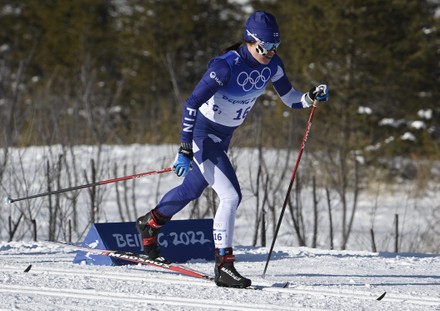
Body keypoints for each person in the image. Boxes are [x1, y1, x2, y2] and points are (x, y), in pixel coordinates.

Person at [136, 10, 328, 288]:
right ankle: (224, 266)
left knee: (190, 190)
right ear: (251, 41)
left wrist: (309, 98)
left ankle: (149, 224)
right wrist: (185, 148)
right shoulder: (225, 66)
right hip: (204, 134)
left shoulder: (272, 65)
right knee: (231, 196)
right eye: (266, 47)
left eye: (276, 46)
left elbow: (290, 99)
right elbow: (191, 104)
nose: (271, 52)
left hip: (223, 137)